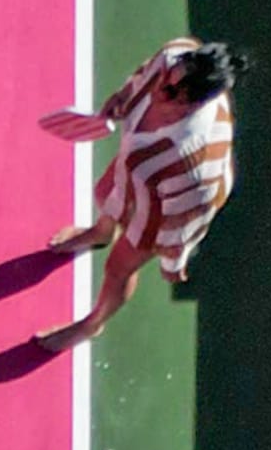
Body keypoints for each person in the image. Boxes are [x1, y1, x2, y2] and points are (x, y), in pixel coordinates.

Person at [32, 37, 246, 352]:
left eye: (172, 93)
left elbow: (163, 220)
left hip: (177, 201)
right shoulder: (174, 57)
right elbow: (148, 69)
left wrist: (171, 258)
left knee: (119, 266)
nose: (160, 89)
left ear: (194, 104)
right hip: (143, 161)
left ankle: (91, 325)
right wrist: (123, 95)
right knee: (105, 191)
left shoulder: (184, 165)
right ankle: (100, 232)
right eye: (165, 77)